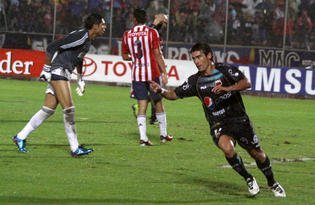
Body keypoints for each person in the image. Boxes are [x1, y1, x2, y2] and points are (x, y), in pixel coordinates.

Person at [150, 43, 286, 197]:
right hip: (218, 122)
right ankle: (248, 178)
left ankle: (272, 182)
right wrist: (160, 90)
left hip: (239, 119)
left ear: (209, 55)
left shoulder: (225, 70)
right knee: (227, 148)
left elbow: (246, 83)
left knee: (257, 154)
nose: (197, 61)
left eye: (199, 57)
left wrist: (227, 89)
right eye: (194, 58)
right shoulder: (195, 81)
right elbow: (174, 95)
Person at [12, 13, 106, 157]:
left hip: (64, 71)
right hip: (58, 69)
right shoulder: (81, 36)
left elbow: (79, 59)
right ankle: (75, 148)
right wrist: (46, 69)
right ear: (95, 26)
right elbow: (52, 46)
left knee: (47, 110)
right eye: (103, 24)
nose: (105, 27)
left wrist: (80, 78)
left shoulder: (88, 39)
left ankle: (20, 136)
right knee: (69, 109)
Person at [122, 8, 172, 146]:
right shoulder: (152, 32)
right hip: (152, 74)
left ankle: (143, 138)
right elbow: (157, 53)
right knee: (158, 103)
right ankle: (163, 135)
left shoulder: (127, 34)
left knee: (142, 105)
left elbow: (125, 56)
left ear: (134, 19)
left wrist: (137, 57)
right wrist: (164, 72)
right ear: (146, 19)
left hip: (137, 74)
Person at [130, 13, 169, 125]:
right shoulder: (152, 31)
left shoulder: (157, 33)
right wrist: (156, 21)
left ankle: (153, 116)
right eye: (164, 22)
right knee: (156, 92)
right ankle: (152, 116)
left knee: (156, 92)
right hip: (150, 66)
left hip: (154, 65)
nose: (165, 25)